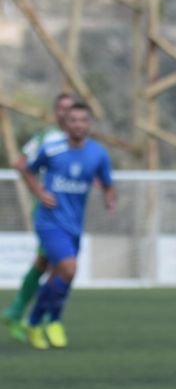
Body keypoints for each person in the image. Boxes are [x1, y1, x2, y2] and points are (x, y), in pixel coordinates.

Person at [18, 101, 115, 349]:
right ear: (65, 123)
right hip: (49, 221)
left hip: (74, 224)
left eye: (83, 120)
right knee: (69, 269)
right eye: (73, 120)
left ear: (90, 124)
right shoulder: (51, 149)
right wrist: (39, 192)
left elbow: (106, 181)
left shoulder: (98, 154)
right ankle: (42, 320)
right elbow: (27, 169)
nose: (79, 125)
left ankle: (39, 321)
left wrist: (109, 198)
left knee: (64, 276)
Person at [2, 92, 76, 342]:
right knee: (58, 263)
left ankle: (19, 312)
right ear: (56, 113)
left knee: (46, 263)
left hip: (70, 211)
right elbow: (21, 163)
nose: (66, 113)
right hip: (50, 211)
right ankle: (43, 318)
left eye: (71, 108)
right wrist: (39, 190)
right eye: (62, 108)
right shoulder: (47, 137)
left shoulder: (79, 140)